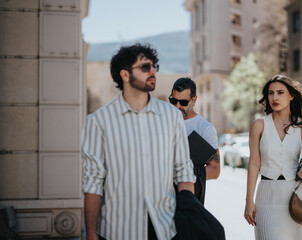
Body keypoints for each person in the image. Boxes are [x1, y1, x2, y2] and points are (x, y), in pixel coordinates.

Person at [81, 44, 195, 240]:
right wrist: (91, 235)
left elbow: (183, 171)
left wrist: (190, 222)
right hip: (117, 231)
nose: (152, 71)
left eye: (154, 66)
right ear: (125, 75)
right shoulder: (98, 121)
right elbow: (93, 182)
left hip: (165, 229)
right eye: (144, 67)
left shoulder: (171, 116)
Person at [244, 74, 302, 239]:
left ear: (291, 96)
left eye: (280, 92)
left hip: (298, 196)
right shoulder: (259, 125)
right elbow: (254, 164)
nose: (274, 97)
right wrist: (249, 201)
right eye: (270, 93)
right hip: (267, 195)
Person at [169, 77, 220, 205]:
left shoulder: (205, 129)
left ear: (194, 100)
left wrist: (181, 174)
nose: (177, 106)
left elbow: (215, 170)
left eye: (183, 102)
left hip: (189, 201)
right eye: (173, 100)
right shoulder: (162, 122)